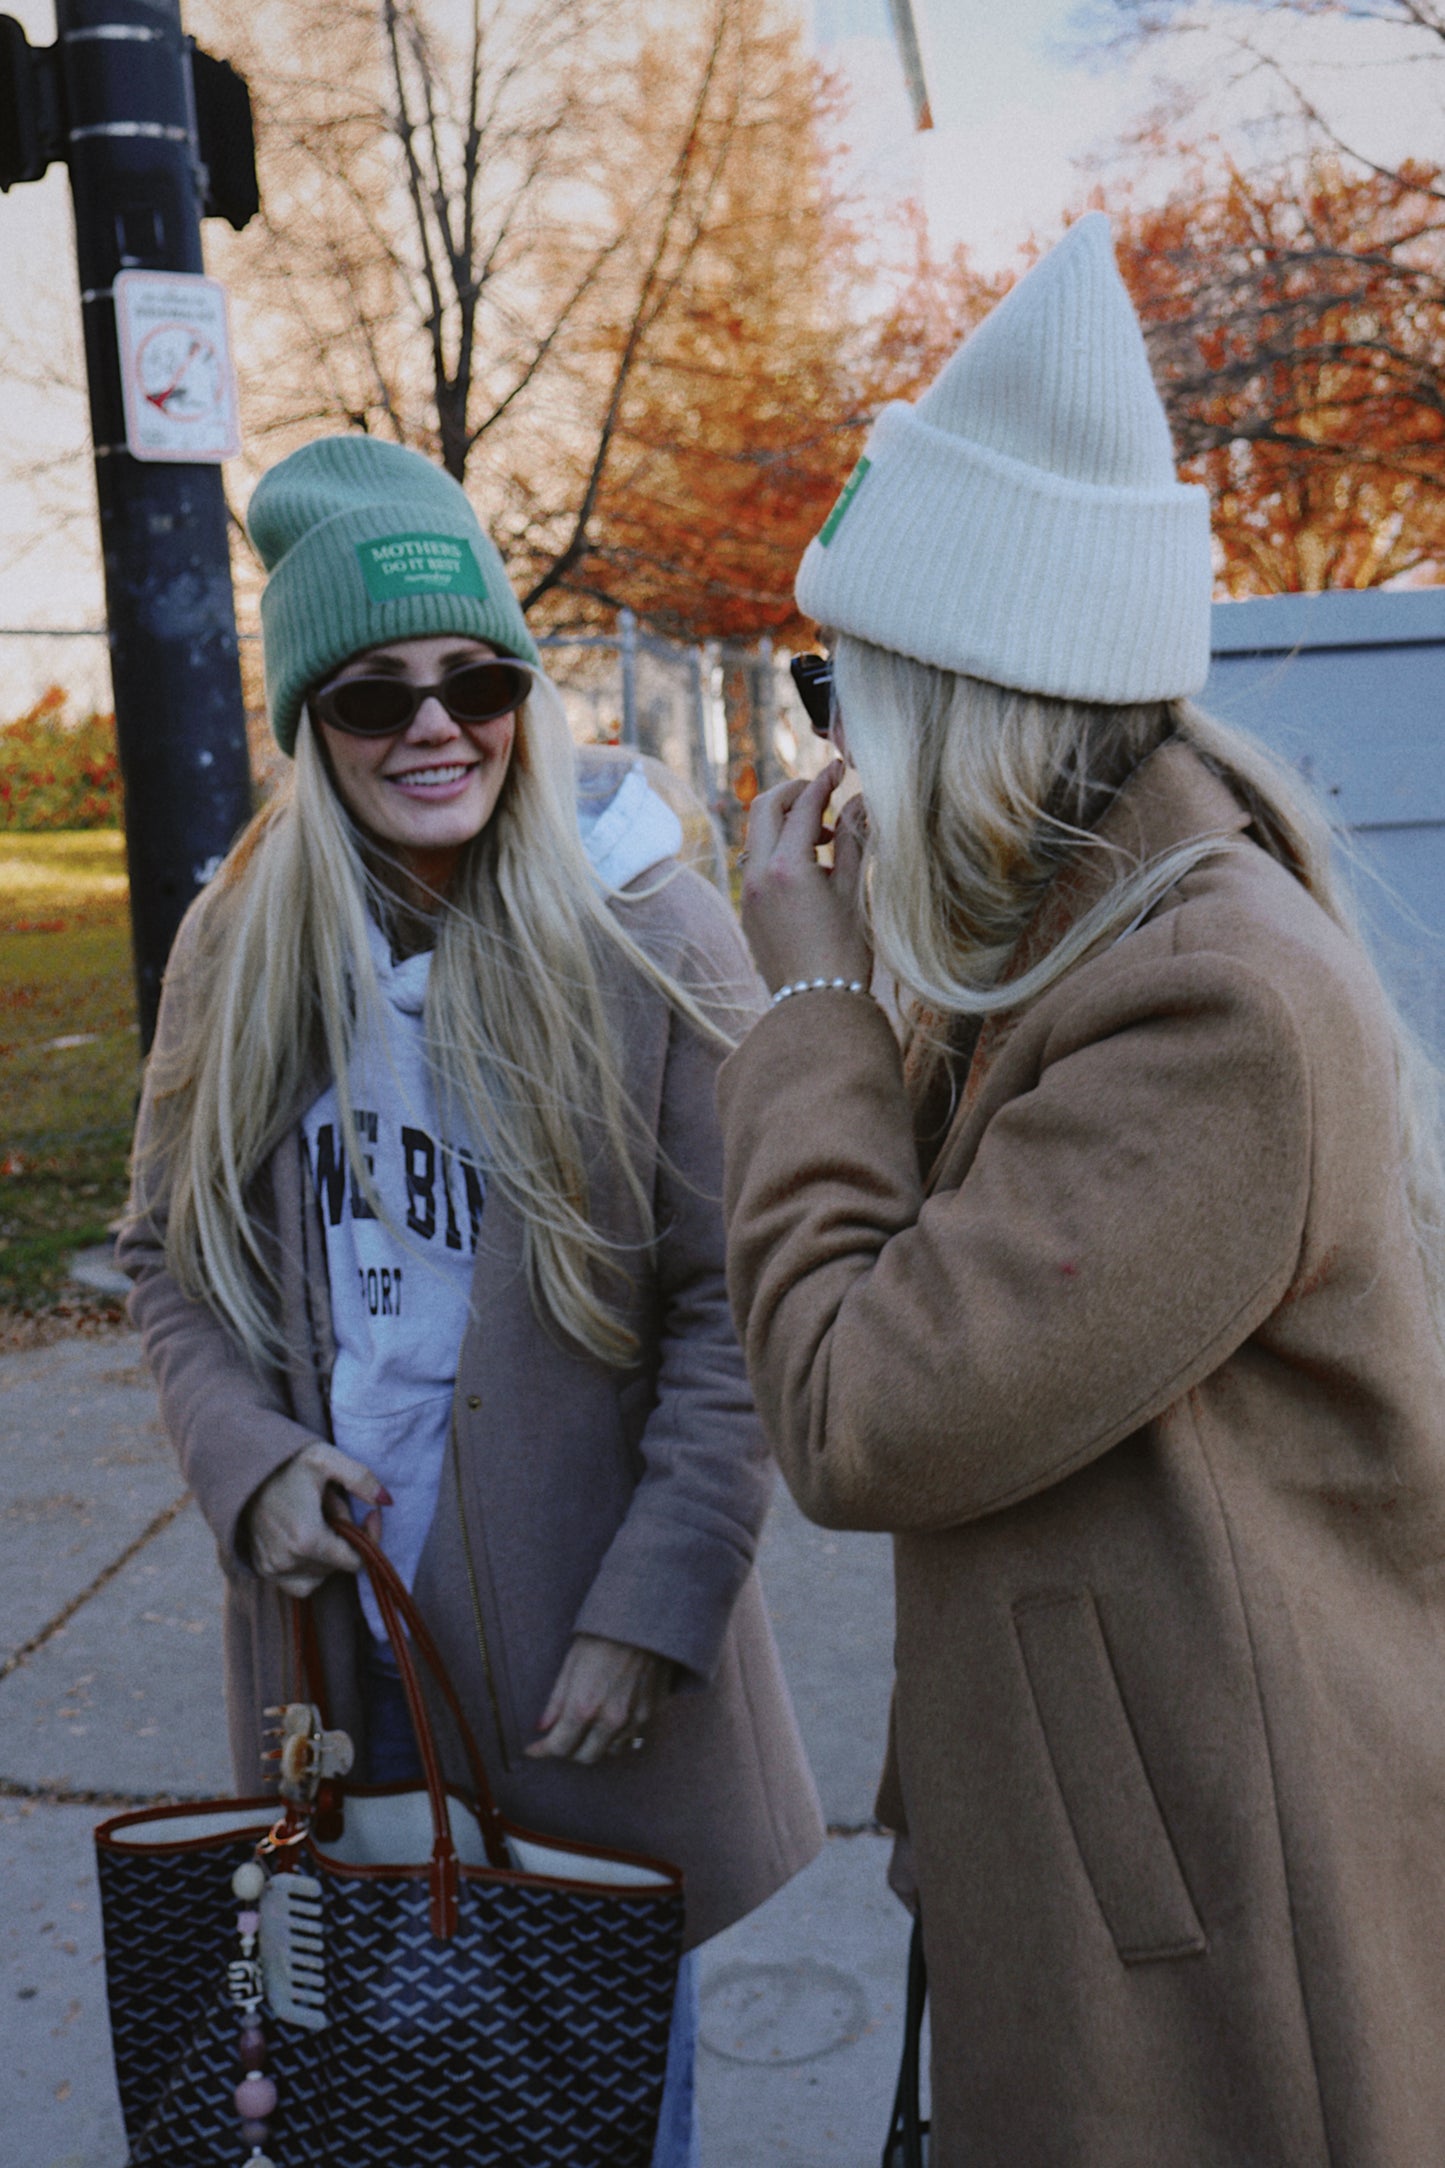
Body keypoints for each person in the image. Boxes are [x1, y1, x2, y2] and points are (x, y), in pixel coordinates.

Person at [718, 212, 1445, 2166]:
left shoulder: (1203, 1003)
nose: (828, 743)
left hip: (1222, 1941)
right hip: (1142, 1860)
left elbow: (858, 1407)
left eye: (837, 682)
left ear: (959, 693)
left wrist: (803, 999)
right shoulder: (1086, 924)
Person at [118, 434, 822, 2166]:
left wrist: (653, 1605)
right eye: (373, 695)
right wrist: (249, 1463)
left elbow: (735, 1309)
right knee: (374, 2115)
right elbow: (167, 1256)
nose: (437, 726)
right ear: (307, 723)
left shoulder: (645, 925)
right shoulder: (242, 936)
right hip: (332, 1673)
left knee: (597, 2120)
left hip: (596, 1685)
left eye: (478, 677)